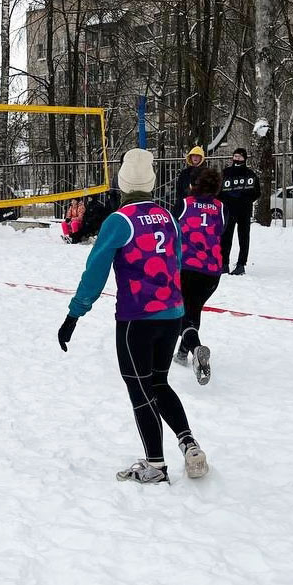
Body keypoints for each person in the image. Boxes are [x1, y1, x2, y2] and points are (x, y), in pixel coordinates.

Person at [57, 147, 209, 485]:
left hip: (137, 319)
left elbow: (94, 272)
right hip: (171, 315)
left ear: (123, 184)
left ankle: (156, 464)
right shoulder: (168, 217)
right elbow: (178, 262)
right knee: (159, 382)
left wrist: (74, 315)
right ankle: (189, 443)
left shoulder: (119, 221)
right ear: (151, 184)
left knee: (139, 389)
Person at [173, 167, 225, 385]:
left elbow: (172, 229)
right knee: (193, 310)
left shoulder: (185, 204)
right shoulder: (220, 207)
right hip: (212, 271)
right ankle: (183, 354)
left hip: (187, 267)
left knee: (182, 315)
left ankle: (194, 349)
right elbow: (221, 231)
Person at [219, 147, 260, 275]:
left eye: (240, 157)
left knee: (243, 237)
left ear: (244, 159)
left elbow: (256, 192)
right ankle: (224, 264)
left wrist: (246, 200)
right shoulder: (225, 173)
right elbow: (218, 191)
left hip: (244, 210)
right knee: (226, 237)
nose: (237, 159)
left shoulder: (250, 174)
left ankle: (241, 264)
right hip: (228, 210)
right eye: (235, 156)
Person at [173, 146, 206, 213]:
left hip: (201, 204)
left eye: (198, 155)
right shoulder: (185, 173)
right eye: (193, 155)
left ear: (201, 158)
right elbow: (179, 189)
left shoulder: (206, 172)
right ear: (190, 157)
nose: (195, 157)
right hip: (185, 203)